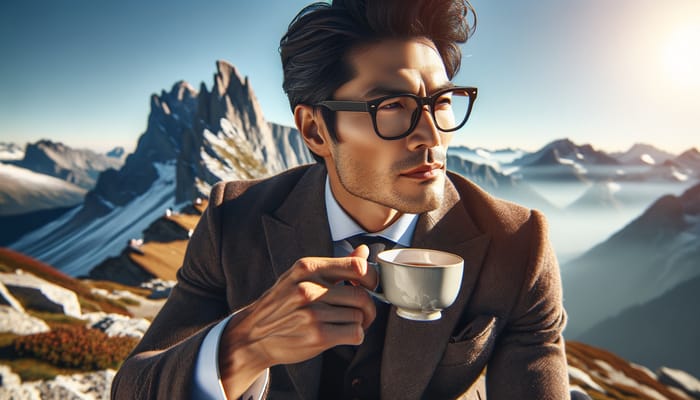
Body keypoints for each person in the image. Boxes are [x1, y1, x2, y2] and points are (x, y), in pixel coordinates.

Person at [112, 0, 577, 399]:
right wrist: (244, 344)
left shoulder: (518, 243)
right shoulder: (232, 220)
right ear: (315, 129)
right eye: (392, 107)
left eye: (441, 101)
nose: (430, 135)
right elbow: (133, 387)